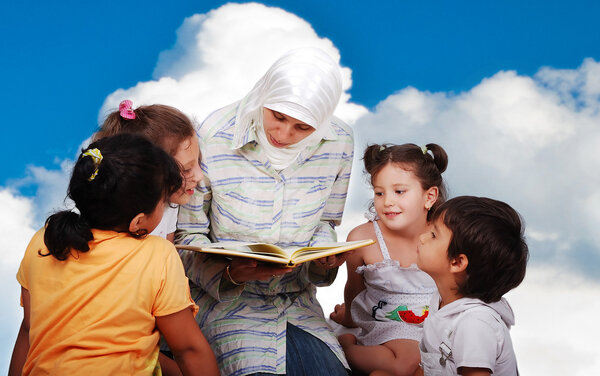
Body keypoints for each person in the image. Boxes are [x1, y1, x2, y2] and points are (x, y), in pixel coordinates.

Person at [176, 47, 354, 375]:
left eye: (303, 127)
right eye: (279, 117)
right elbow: (186, 238)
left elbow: (326, 223)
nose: (284, 134)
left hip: (298, 305)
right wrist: (230, 274)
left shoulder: (340, 142)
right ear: (266, 95)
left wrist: (324, 259)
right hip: (225, 306)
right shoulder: (214, 135)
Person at [8, 134, 218, 376]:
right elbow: (189, 349)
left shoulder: (43, 240)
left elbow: (28, 329)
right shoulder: (156, 254)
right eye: (163, 202)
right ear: (138, 221)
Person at [329, 143, 447, 375]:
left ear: (429, 196)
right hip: (387, 326)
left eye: (399, 191)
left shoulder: (445, 236)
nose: (387, 201)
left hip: (435, 325)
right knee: (403, 364)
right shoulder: (363, 238)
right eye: (379, 192)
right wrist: (350, 320)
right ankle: (346, 348)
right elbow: (353, 287)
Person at [415, 196, 528, 375]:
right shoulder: (443, 300)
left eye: (434, 235)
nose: (422, 237)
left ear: (457, 262)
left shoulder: (474, 324)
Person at [94, 100, 203, 241]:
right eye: (187, 169)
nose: (199, 176)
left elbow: (168, 255)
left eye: (198, 161)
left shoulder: (170, 204)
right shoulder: (112, 221)